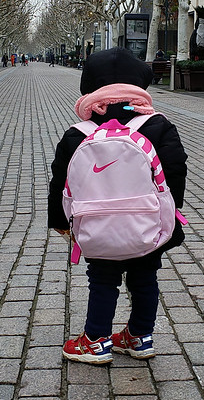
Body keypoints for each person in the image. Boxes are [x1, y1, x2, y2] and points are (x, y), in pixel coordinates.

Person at [48, 47, 188, 364]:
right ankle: (139, 337)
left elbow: (60, 181)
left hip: (97, 227)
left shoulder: (77, 133)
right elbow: (175, 171)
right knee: (144, 278)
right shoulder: (159, 126)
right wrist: (169, 213)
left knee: (101, 280)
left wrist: (59, 220)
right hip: (147, 225)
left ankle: (95, 340)